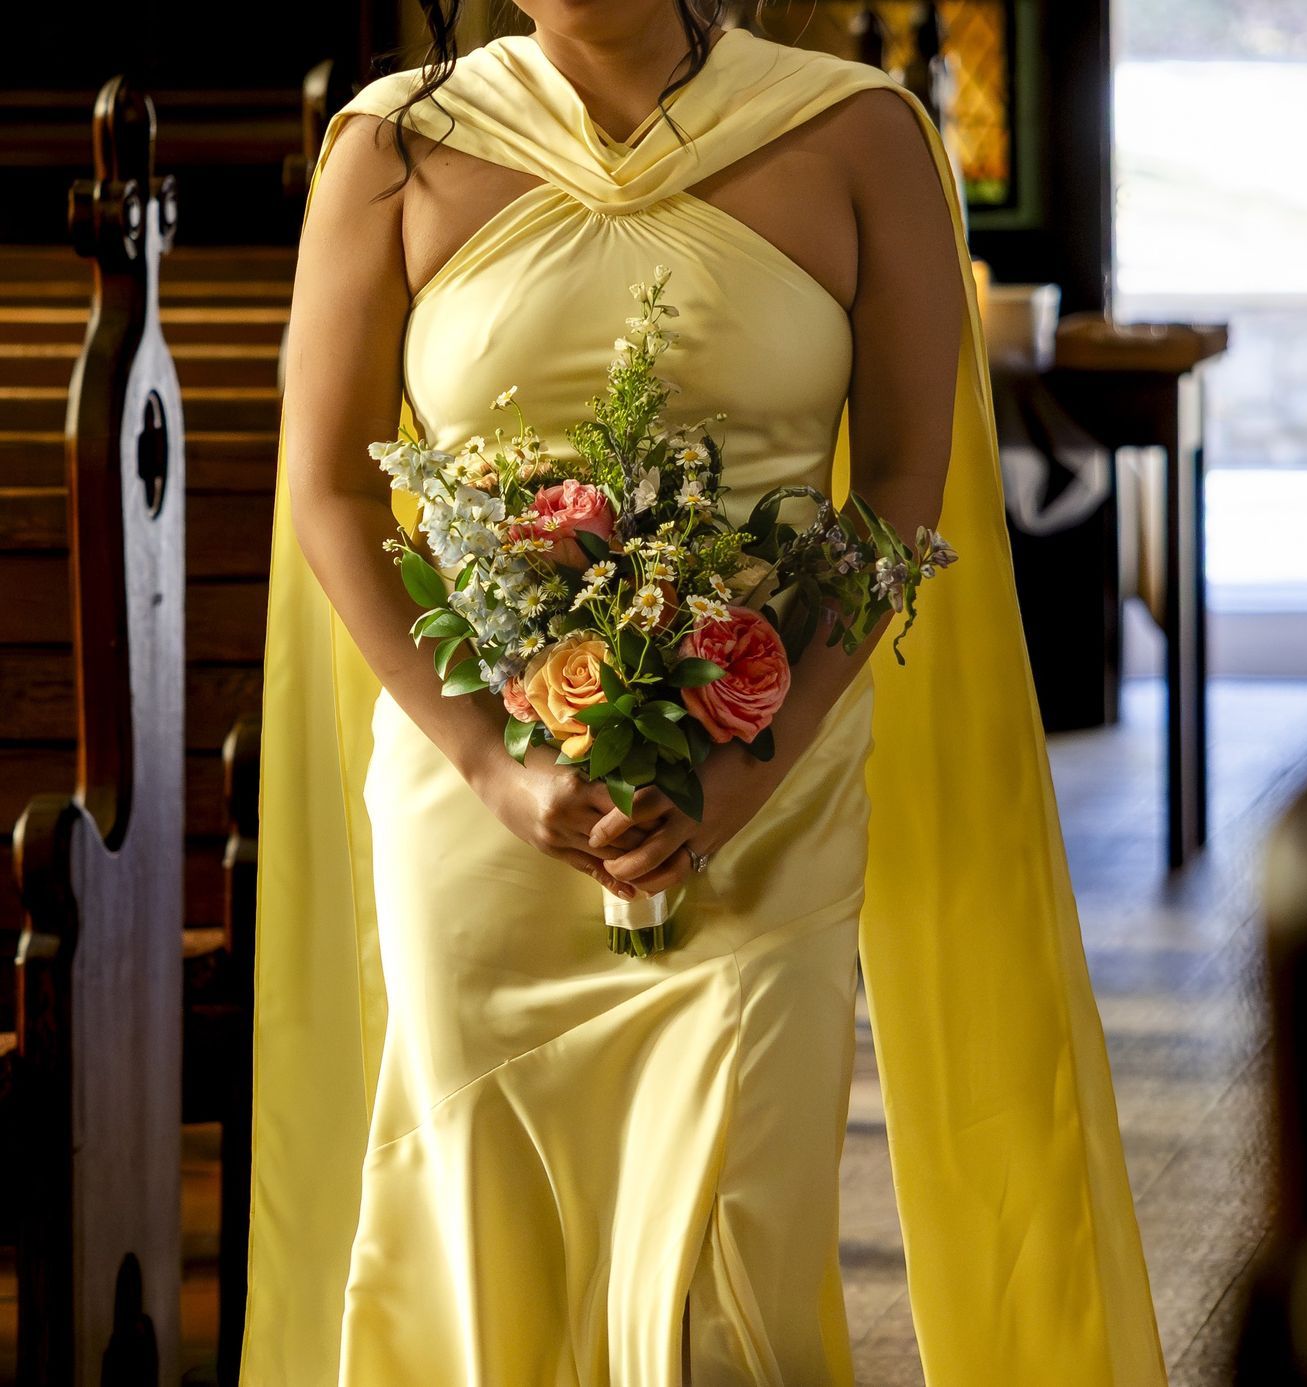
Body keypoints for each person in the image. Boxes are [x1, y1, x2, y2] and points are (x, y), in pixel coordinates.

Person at [243, 3, 1166, 1383]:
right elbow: (325, 486)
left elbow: (908, 481)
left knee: (735, 1249)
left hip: (768, 790)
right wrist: (494, 761)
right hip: (480, 803)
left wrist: (756, 759)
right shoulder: (393, 146)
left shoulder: (860, 133)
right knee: (484, 1226)